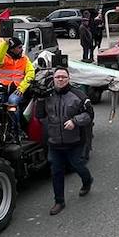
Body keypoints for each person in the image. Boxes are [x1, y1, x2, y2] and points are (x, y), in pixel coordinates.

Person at [35, 67, 93, 216]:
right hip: (54, 141)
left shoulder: (78, 95)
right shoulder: (47, 95)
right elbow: (39, 115)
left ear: (69, 79)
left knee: (77, 165)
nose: (60, 79)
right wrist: (40, 99)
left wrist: (75, 121)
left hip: (75, 140)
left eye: (63, 77)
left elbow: (89, 115)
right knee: (56, 171)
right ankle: (59, 201)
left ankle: (87, 181)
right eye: (57, 77)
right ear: (53, 79)